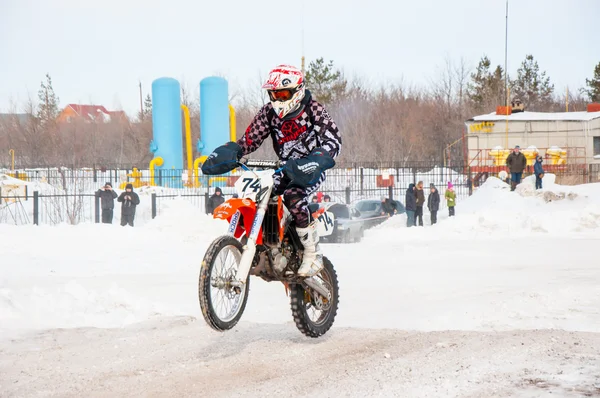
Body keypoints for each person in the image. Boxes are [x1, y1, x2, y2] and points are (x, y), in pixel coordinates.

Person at [201, 64, 342, 278]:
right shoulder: (269, 113)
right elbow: (251, 139)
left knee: (294, 195)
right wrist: (234, 152)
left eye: (283, 93)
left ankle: (313, 255)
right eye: (273, 94)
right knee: (256, 193)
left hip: (310, 168)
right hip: (286, 168)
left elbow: (333, 140)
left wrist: (318, 159)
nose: (277, 99)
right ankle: (266, 245)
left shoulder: (313, 109)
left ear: (297, 90)